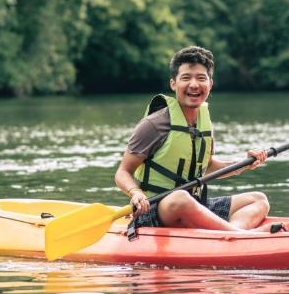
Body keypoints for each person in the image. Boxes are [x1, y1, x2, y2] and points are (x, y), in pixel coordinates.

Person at [115, 46, 270, 232]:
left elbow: (208, 166)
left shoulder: (204, 124)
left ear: (210, 84)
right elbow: (123, 172)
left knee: (259, 200)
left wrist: (244, 163)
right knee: (181, 198)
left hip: (195, 204)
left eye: (201, 78)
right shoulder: (154, 124)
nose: (194, 85)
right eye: (186, 78)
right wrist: (135, 193)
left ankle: (231, 234)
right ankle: (239, 236)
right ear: (173, 84)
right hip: (155, 210)